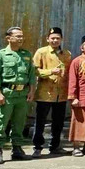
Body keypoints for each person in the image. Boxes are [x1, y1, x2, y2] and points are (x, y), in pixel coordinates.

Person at [0, 27, 37, 165]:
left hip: (22, 95)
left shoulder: (27, 55)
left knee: (19, 123)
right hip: (7, 94)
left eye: (22, 36)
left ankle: (17, 150)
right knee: (1, 122)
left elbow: (32, 75)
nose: (20, 39)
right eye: (17, 36)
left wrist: (32, 91)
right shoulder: (0, 55)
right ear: (8, 38)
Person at [31, 27, 72, 157]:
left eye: (57, 38)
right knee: (40, 122)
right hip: (45, 93)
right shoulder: (41, 52)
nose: (55, 40)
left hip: (61, 94)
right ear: (48, 39)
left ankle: (55, 146)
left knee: (58, 122)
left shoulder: (66, 54)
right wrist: (50, 72)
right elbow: (34, 71)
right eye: (52, 38)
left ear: (61, 39)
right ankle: (37, 146)